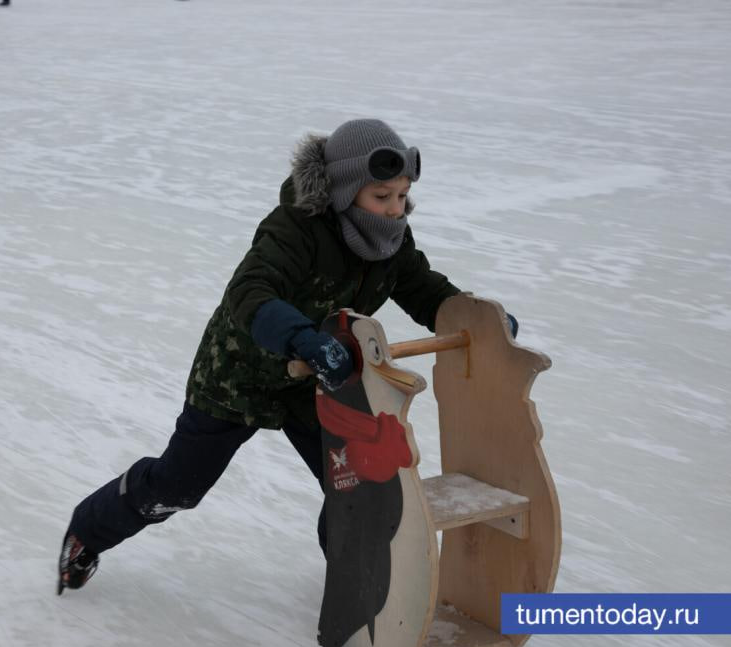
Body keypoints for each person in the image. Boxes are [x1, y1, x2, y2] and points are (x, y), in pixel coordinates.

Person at [57, 118, 517, 594]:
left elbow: (422, 288)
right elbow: (250, 290)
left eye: (402, 196)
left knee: (357, 481)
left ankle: (355, 589)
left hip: (317, 377)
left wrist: (475, 320)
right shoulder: (296, 228)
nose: (395, 209)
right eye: (382, 196)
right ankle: (87, 530)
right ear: (344, 190)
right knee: (179, 486)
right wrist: (302, 340)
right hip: (240, 372)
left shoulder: (391, 240)